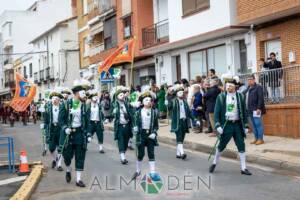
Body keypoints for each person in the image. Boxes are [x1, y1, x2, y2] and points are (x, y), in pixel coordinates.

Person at [209, 75, 251, 176]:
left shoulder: (240, 96)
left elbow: (244, 112)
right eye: (227, 85)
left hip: (237, 125)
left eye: (231, 86)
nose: (228, 87)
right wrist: (218, 125)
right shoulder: (221, 97)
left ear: (235, 86)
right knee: (222, 145)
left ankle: (243, 168)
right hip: (226, 125)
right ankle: (214, 162)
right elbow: (216, 112)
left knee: (241, 145)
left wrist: (245, 125)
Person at [61, 80, 90, 187]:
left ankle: (78, 179)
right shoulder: (66, 105)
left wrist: (88, 134)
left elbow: (87, 122)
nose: (85, 95)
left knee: (80, 155)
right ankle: (68, 169)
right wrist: (65, 128)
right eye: (83, 93)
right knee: (67, 156)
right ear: (77, 94)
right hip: (69, 134)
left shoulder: (85, 106)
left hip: (79, 134)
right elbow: (61, 120)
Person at [166, 84, 200, 160]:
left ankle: (178, 154)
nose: (181, 93)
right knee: (179, 137)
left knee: (182, 138)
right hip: (177, 122)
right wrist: (167, 100)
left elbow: (189, 112)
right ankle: (182, 153)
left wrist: (195, 120)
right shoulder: (173, 101)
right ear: (177, 94)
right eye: (179, 92)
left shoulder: (184, 102)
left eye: (182, 92)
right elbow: (169, 107)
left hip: (184, 122)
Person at [131, 91, 160, 181]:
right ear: (142, 102)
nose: (148, 101)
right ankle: (138, 171)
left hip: (150, 135)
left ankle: (153, 173)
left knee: (151, 153)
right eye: (146, 100)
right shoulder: (138, 113)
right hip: (141, 135)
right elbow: (134, 123)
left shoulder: (154, 112)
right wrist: (135, 128)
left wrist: (154, 133)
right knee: (141, 154)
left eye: (149, 100)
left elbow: (156, 125)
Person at [42, 90, 65, 171]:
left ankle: (59, 165)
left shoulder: (63, 107)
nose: (54, 100)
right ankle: (55, 159)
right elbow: (46, 120)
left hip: (60, 128)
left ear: (59, 100)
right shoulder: (48, 108)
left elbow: (65, 118)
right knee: (51, 148)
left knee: (60, 147)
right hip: (51, 129)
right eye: (53, 98)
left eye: (56, 98)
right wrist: (44, 125)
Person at [113, 87, 133, 164]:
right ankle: (123, 158)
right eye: (120, 95)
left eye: (123, 95)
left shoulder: (126, 104)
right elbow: (112, 113)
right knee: (121, 142)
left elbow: (130, 113)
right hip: (120, 126)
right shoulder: (115, 104)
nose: (123, 96)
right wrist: (114, 111)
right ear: (117, 96)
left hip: (127, 125)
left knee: (125, 142)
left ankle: (123, 155)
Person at [245, 75, 266, 145]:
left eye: (250, 79)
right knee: (253, 125)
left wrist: (259, 108)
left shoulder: (258, 87)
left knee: (258, 124)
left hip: (256, 110)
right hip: (249, 110)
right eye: (248, 80)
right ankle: (256, 138)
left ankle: (260, 139)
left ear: (254, 80)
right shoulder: (248, 88)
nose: (249, 81)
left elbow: (261, 98)